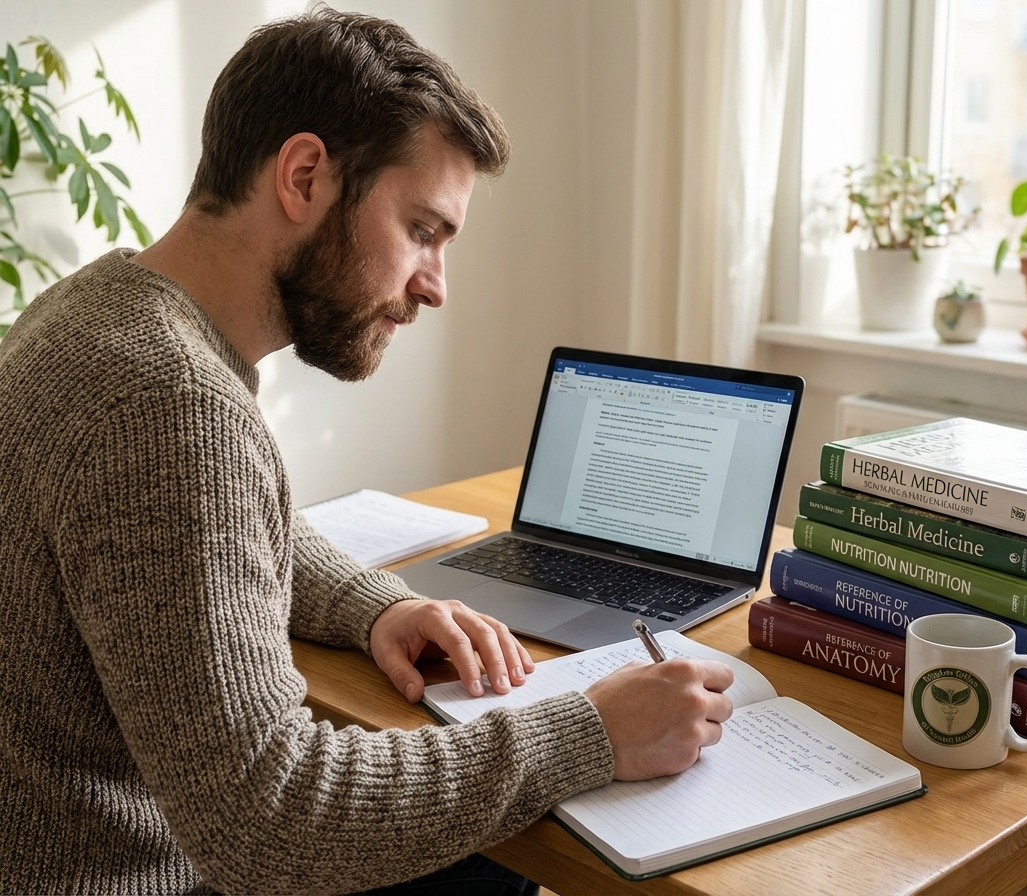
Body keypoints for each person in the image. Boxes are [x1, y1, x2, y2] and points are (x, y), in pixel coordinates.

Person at [0, 8, 737, 895]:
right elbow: (269, 820)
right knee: (503, 860)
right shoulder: (173, 407)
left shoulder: (101, 311)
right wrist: (589, 732)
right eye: (423, 230)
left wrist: (374, 606)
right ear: (305, 175)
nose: (434, 286)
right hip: (127, 879)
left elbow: (223, 537)